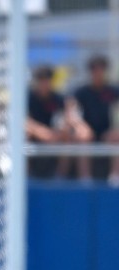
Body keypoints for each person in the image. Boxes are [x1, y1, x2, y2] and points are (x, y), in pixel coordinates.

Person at [26, 65, 92, 179]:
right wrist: (42, 132)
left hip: (56, 136)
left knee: (68, 136)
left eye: (47, 79)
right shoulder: (28, 98)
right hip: (35, 135)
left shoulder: (59, 99)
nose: (44, 83)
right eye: (41, 79)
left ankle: (60, 176)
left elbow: (71, 119)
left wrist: (59, 132)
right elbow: (24, 121)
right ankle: (25, 175)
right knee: (24, 134)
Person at [73, 55, 119, 185]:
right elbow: (72, 113)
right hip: (87, 131)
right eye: (94, 70)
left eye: (101, 69)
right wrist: (81, 127)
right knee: (83, 137)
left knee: (117, 136)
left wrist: (115, 129)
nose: (98, 73)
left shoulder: (114, 91)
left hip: (108, 132)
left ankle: (115, 177)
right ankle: (85, 179)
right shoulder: (81, 92)